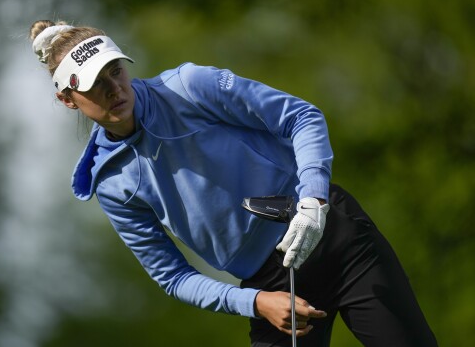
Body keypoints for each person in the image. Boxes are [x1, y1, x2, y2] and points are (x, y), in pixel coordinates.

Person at [28, 20, 438, 347]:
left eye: (115, 71)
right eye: (96, 83)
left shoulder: (189, 87)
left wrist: (313, 199)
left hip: (334, 235)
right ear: (68, 100)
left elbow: (302, 117)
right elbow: (173, 277)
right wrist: (256, 303)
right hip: (270, 288)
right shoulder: (113, 185)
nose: (115, 88)